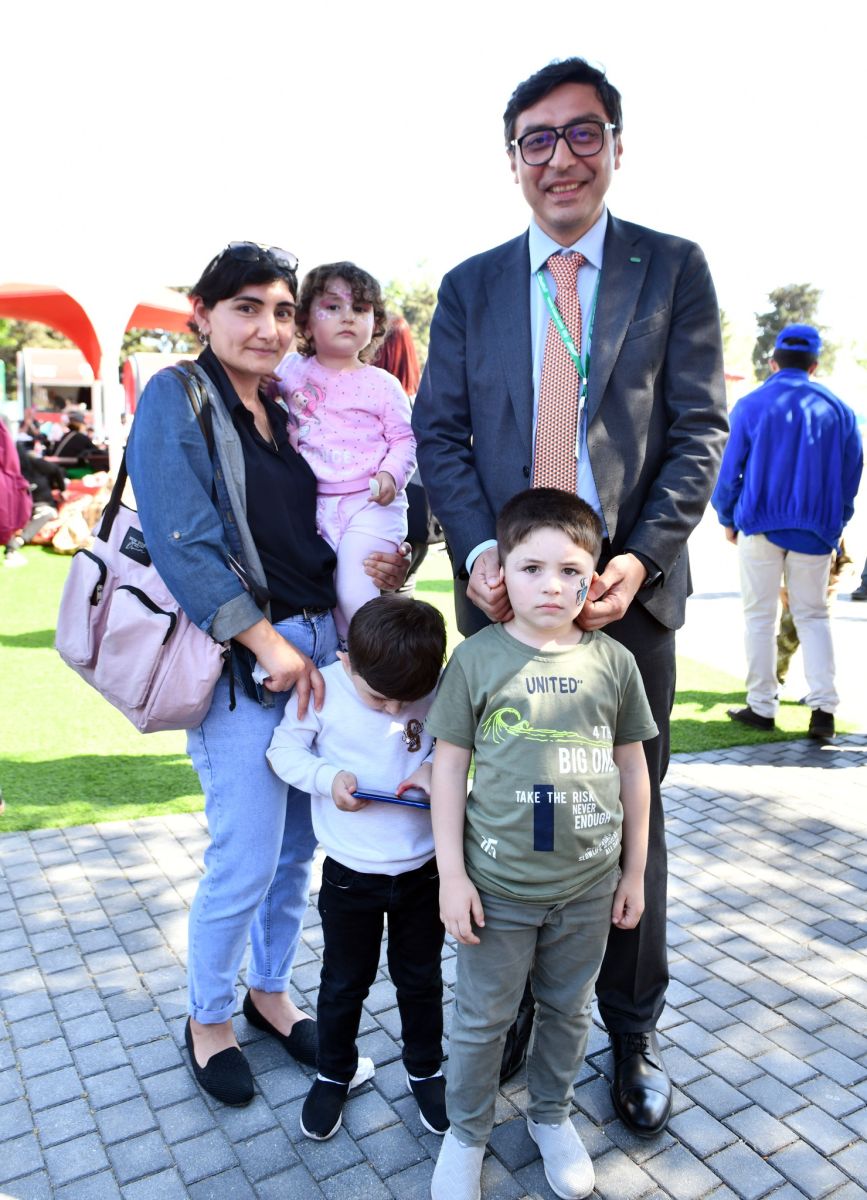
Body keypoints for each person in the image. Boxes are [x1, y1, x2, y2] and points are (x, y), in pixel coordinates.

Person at [412, 57, 727, 1137]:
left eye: (582, 133)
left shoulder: (671, 268)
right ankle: (505, 1017)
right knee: (501, 811)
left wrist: (638, 558)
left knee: (625, 815)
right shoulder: (470, 287)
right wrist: (476, 551)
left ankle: (629, 1034)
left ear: (616, 147)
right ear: (512, 161)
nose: (561, 157)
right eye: (537, 140)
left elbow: (699, 431)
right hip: (502, 610)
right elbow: (440, 435)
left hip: (627, 609)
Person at [125, 242, 408, 1107]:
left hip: (320, 643)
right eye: (246, 307)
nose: (269, 327)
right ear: (203, 314)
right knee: (244, 856)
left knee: (294, 855)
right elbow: (182, 536)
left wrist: (391, 563)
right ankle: (208, 1017)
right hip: (248, 660)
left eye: (283, 311)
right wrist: (264, 642)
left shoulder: (285, 406)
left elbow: (337, 511)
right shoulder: (180, 395)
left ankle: (269, 992)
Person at [427, 489, 655, 1200]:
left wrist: (634, 874)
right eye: (531, 568)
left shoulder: (614, 662)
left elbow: (634, 771)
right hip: (497, 890)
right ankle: (466, 1132)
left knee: (568, 1009)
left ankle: (550, 1115)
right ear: (500, 571)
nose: (551, 585)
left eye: (570, 570)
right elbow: (447, 771)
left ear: (593, 577)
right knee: (482, 1020)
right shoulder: (476, 659)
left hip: (587, 888)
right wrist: (451, 878)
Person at [267, 595, 448, 1141]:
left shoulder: (432, 684)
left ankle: (426, 1069)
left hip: (423, 871)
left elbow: (460, 742)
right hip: (350, 874)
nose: (394, 712)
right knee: (344, 984)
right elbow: (283, 753)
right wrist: (328, 780)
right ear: (347, 661)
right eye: (380, 698)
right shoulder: (324, 688)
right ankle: (333, 1072)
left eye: (406, 702)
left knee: (421, 980)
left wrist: (433, 767)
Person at [711, 324, 863, 741]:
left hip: (759, 524)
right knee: (814, 616)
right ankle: (823, 712)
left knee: (759, 618)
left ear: (773, 363)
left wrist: (728, 517)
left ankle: (762, 707)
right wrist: (837, 521)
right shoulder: (839, 410)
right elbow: (852, 473)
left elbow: (728, 470)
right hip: (816, 531)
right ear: (814, 366)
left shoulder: (751, 404)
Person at [275, 263, 416, 640]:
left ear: (376, 322)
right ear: (305, 323)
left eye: (360, 308)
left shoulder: (383, 385)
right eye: (333, 307)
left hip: (369, 505)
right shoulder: (289, 371)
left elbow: (405, 439)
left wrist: (391, 475)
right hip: (311, 507)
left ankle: (374, 664)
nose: (348, 317)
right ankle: (344, 663)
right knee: (324, 602)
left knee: (355, 596)